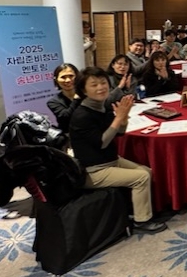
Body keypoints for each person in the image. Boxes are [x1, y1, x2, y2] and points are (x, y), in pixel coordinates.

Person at [69, 67, 166, 234]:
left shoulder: (102, 107)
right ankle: (142, 221)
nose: (101, 87)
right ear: (83, 90)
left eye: (103, 83)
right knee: (141, 177)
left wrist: (124, 117)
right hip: (93, 170)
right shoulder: (82, 115)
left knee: (147, 171)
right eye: (94, 85)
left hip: (110, 160)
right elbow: (102, 142)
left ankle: (136, 210)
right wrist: (119, 117)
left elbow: (119, 133)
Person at [47, 63, 81, 134]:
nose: (68, 80)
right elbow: (66, 118)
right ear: (56, 80)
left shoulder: (87, 95)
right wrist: (76, 99)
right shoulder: (53, 102)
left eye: (71, 76)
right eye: (63, 77)